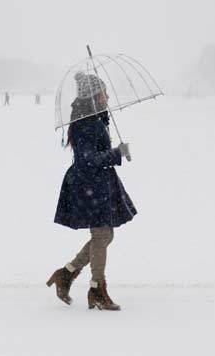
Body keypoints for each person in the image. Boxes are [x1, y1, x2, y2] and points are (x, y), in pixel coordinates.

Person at [48, 72, 136, 310]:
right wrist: (116, 152)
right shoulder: (84, 123)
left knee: (104, 235)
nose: (107, 95)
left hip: (97, 184)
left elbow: (95, 153)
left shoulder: (94, 119)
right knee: (102, 236)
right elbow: (87, 160)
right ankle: (97, 288)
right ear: (94, 96)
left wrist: (111, 140)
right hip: (89, 185)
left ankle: (67, 274)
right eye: (103, 92)